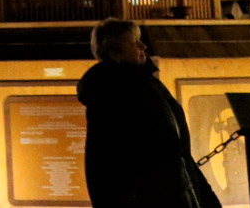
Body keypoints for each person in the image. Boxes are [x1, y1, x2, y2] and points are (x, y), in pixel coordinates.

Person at [77, 18, 219, 208]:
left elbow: (179, 153)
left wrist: (205, 197)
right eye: (134, 43)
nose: (143, 46)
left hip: (178, 195)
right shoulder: (110, 97)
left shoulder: (151, 86)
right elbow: (102, 165)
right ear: (115, 54)